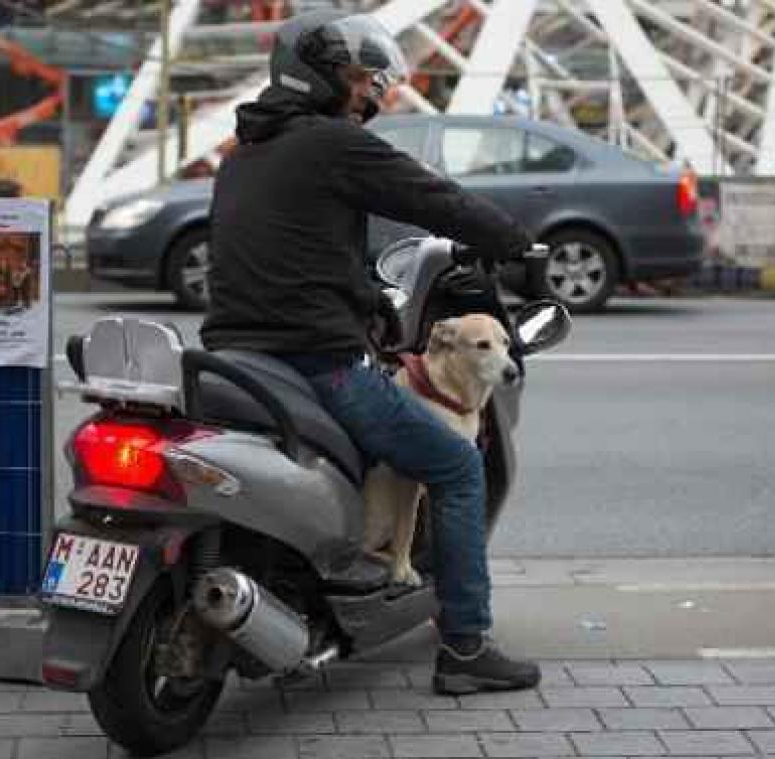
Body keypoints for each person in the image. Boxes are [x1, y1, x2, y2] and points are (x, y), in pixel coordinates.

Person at [201, 11, 542, 694]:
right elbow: (427, 195)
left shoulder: (242, 156)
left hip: (232, 359)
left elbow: (295, 251)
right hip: (313, 360)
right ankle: (467, 647)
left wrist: (361, 295)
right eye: (357, 79)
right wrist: (513, 240)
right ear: (320, 79)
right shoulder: (331, 144)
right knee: (454, 465)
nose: (367, 93)